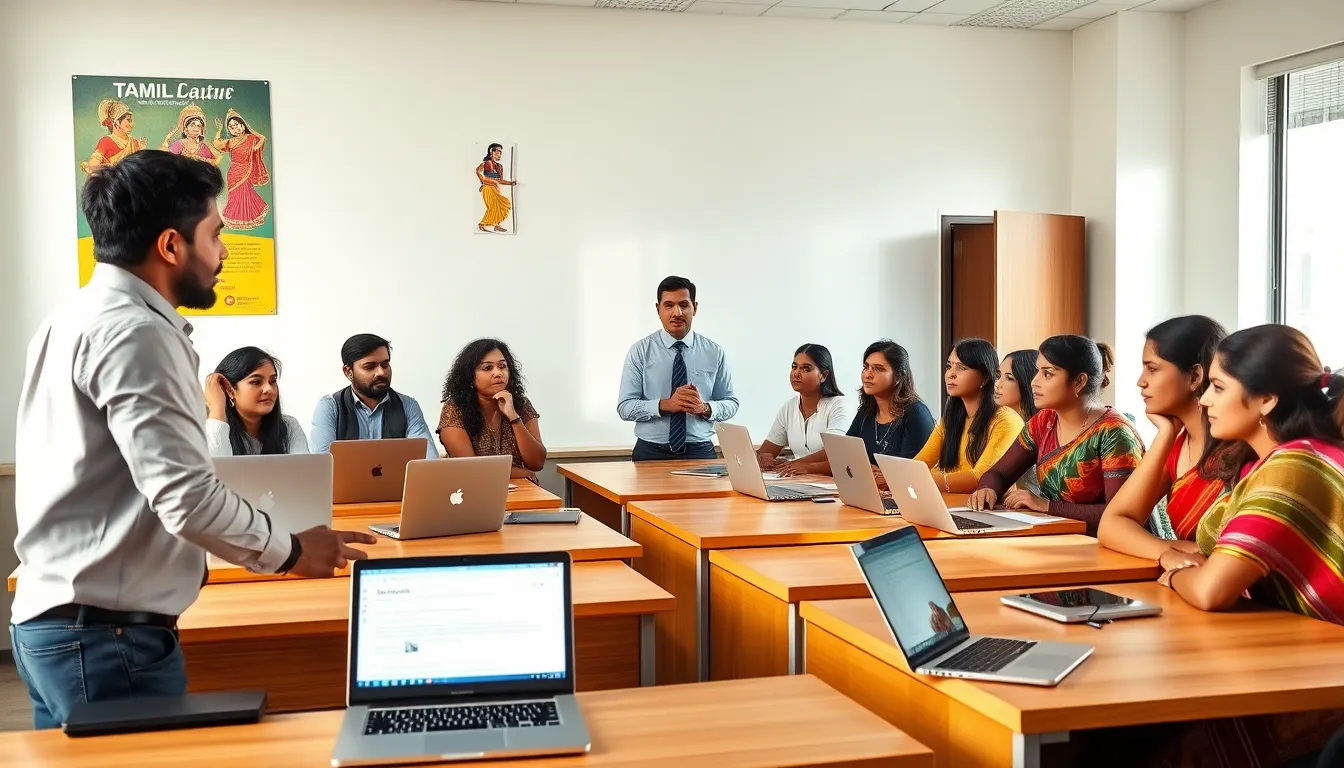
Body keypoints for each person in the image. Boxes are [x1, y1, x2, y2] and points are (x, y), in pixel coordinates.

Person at [10, 151, 373, 730]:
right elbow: (187, 495)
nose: (225, 250)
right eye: (217, 232)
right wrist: (296, 551)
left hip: (66, 624)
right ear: (172, 245)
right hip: (108, 636)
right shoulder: (137, 334)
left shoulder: (70, 318)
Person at [1081, 326, 1344, 767]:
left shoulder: (1293, 465)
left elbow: (1210, 590)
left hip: (1322, 678)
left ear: (1266, 400)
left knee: (1132, 733)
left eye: (1219, 388)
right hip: (1299, 651)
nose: (1205, 399)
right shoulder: (1264, 459)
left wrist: (1179, 572)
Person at [969, 335, 1144, 535]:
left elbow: (1120, 516)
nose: (1034, 382)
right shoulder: (1044, 422)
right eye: (1037, 372)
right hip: (1061, 537)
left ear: (1079, 381)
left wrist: (1047, 506)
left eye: (1048, 374)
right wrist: (987, 489)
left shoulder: (1114, 433)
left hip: (1112, 548)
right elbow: (999, 473)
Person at [1098, 316, 1235, 563]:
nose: (1141, 381)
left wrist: (1176, 552)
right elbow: (1112, 525)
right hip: (1191, 578)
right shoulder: (1176, 443)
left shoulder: (1238, 448)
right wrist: (1168, 552)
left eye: (1152, 368)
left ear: (1195, 376)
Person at [617, 276, 739, 461]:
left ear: (695, 308)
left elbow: (731, 402)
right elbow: (625, 407)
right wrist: (666, 405)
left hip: (700, 451)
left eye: (684, 305)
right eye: (669, 305)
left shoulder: (714, 352)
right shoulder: (640, 352)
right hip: (650, 451)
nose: (677, 312)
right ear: (658, 309)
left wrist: (705, 408)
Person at [913, 338, 1024, 493]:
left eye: (961, 367)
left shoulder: (1006, 420)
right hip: (952, 504)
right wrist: (894, 477)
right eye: (949, 366)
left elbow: (980, 478)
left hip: (988, 510)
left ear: (985, 378)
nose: (950, 374)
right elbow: (919, 464)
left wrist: (916, 479)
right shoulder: (951, 420)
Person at [310, 334, 437, 459]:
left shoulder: (407, 405)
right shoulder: (330, 407)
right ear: (348, 372)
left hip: (398, 481)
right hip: (345, 481)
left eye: (385, 365)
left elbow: (428, 461)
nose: (381, 372)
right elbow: (323, 465)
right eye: (370, 367)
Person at [437, 339, 546, 480]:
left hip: (522, 490)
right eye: (487, 368)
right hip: (476, 492)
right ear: (470, 376)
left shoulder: (521, 404)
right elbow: (472, 469)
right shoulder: (455, 409)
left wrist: (514, 418)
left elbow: (537, 463)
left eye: (502, 366)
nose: (498, 373)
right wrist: (521, 473)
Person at [756, 343, 851, 474]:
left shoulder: (838, 404)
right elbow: (766, 451)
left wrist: (795, 464)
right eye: (794, 367)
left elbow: (833, 451)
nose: (796, 373)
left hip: (830, 484)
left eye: (806, 369)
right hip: (798, 480)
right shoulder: (789, 407)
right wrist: (761, 457)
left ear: (823, 375)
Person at [204, 346, 310, 457]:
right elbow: (216, 470)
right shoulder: (205, 429)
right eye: (256, 382)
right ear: (230, 390)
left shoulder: (289, 426)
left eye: (272, 381)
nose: (269, 389)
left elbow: (303, 472)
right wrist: (217, 408)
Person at [993, 349, 1043, 496]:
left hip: (1042, 513)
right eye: (998, 376)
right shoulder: (1001, 423)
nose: (998, 384)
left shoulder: (1039, 428)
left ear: (1028, 381)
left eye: (1009, 378)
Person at [212, 109, 269, 230]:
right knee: (235, 196)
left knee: (246, 194)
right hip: (234, 172)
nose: (233, 128)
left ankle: (247, 219)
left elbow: (262, 138)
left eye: (236, 125)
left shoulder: (251, 138)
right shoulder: (231, 142)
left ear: (243, 126)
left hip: (245, 170)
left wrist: (250, 129)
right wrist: (219, 130)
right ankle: (236, 219)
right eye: (231, 127)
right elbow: (216, 144)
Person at [80, 99, 146, 175]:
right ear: (117, 122)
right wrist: (110, 167)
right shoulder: (106, 141)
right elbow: (92, 166)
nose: (132, 124)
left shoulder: (133, 142)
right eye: (128, 120)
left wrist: (140, 150)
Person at [476, 143, 516, 233]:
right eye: (497, 152)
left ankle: (496, 224)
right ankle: (482, 224)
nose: (499, 154)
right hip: (487, 188)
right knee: (492, 207)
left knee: (503, 205)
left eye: (500, 152)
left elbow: (500, 181)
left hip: (495, 189)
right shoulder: (486, 163)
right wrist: (483, 182)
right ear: (491, 152)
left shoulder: (499, 167)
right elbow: (478, 171)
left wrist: (511, 183)